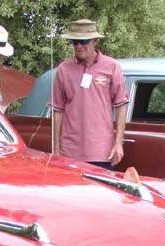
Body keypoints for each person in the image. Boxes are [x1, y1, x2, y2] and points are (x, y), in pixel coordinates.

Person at [49, 19, 128, 170]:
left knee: (101, 193)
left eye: (84, 41)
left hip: (102, 151)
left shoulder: (112, 66)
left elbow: (121, 105)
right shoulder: (64, 69)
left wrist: (118, 143)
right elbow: (57, 110)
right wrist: (56, 149)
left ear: (95, 41)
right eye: (74, 42)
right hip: (70, 151)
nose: (79, 46)